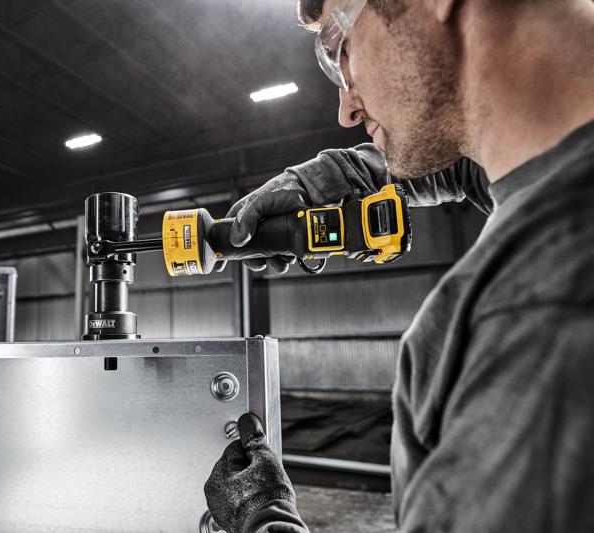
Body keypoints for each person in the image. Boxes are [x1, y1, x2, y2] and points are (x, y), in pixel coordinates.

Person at [204, 0, 594, 531]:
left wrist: (263, 520)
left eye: (340, 50)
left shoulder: (540, 315)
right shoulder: (554, 172)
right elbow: (461, 171)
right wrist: (331, 177)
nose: (346, 111)